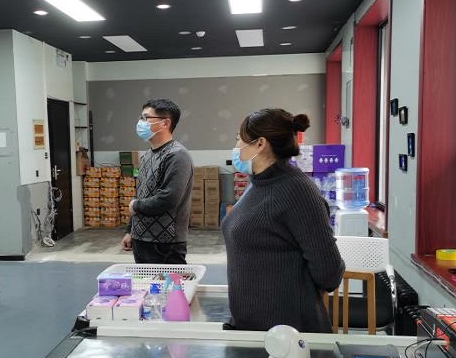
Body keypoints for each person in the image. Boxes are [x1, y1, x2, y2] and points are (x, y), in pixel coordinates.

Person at [221, 108, 345, 332]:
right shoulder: (258, 183)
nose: (236, 146)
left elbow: (329, 272)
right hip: (253, 324)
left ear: (260, 144)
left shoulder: (297, 191)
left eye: (239, 139)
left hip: (287, 331)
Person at [121, 99, 193, 264]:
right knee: (144, 282)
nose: (141, 122)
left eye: (146, 118)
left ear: (165, 123)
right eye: (141, 117)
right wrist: (130, 231)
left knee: (166, 283)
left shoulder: (177, 155)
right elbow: (141, 195)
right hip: (141, 239)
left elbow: (169, 198)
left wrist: (135, 206)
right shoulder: (147, 156)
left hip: (165, 244)